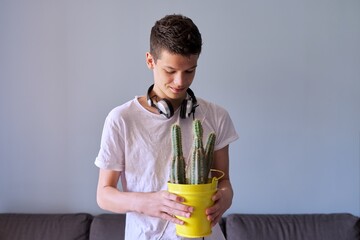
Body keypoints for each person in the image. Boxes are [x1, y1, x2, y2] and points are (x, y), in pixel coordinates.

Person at [95, 14, 239, 240]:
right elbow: (104, 195)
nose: (181, 81)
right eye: (170, 71)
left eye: (190, 71)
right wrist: (147, 202)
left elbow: (224, 182)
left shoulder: (217, 116)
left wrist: (226, 196)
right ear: (150, 61)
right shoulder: (121, 119)